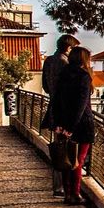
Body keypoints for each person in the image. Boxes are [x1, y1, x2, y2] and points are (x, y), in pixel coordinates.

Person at [52, 47, 95, 204]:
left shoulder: (63, 75)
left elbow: (55, 101)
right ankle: (75, 194)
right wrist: (71, 127)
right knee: (78, 160)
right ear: (83, 59)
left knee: (66, 159)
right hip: (81, 125)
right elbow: (81, 105)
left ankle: (67, 194)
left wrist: (59, 123)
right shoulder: (84, 76)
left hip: (63, 123)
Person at [40, 34, 80, 198]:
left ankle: (58, 186)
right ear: (69, 48)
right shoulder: (67, 64)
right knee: (66, 149)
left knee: (58, 148)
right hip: (64, 110)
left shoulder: (49, 60)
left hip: (53, 108)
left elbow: (44, 85)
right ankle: (64, 186)